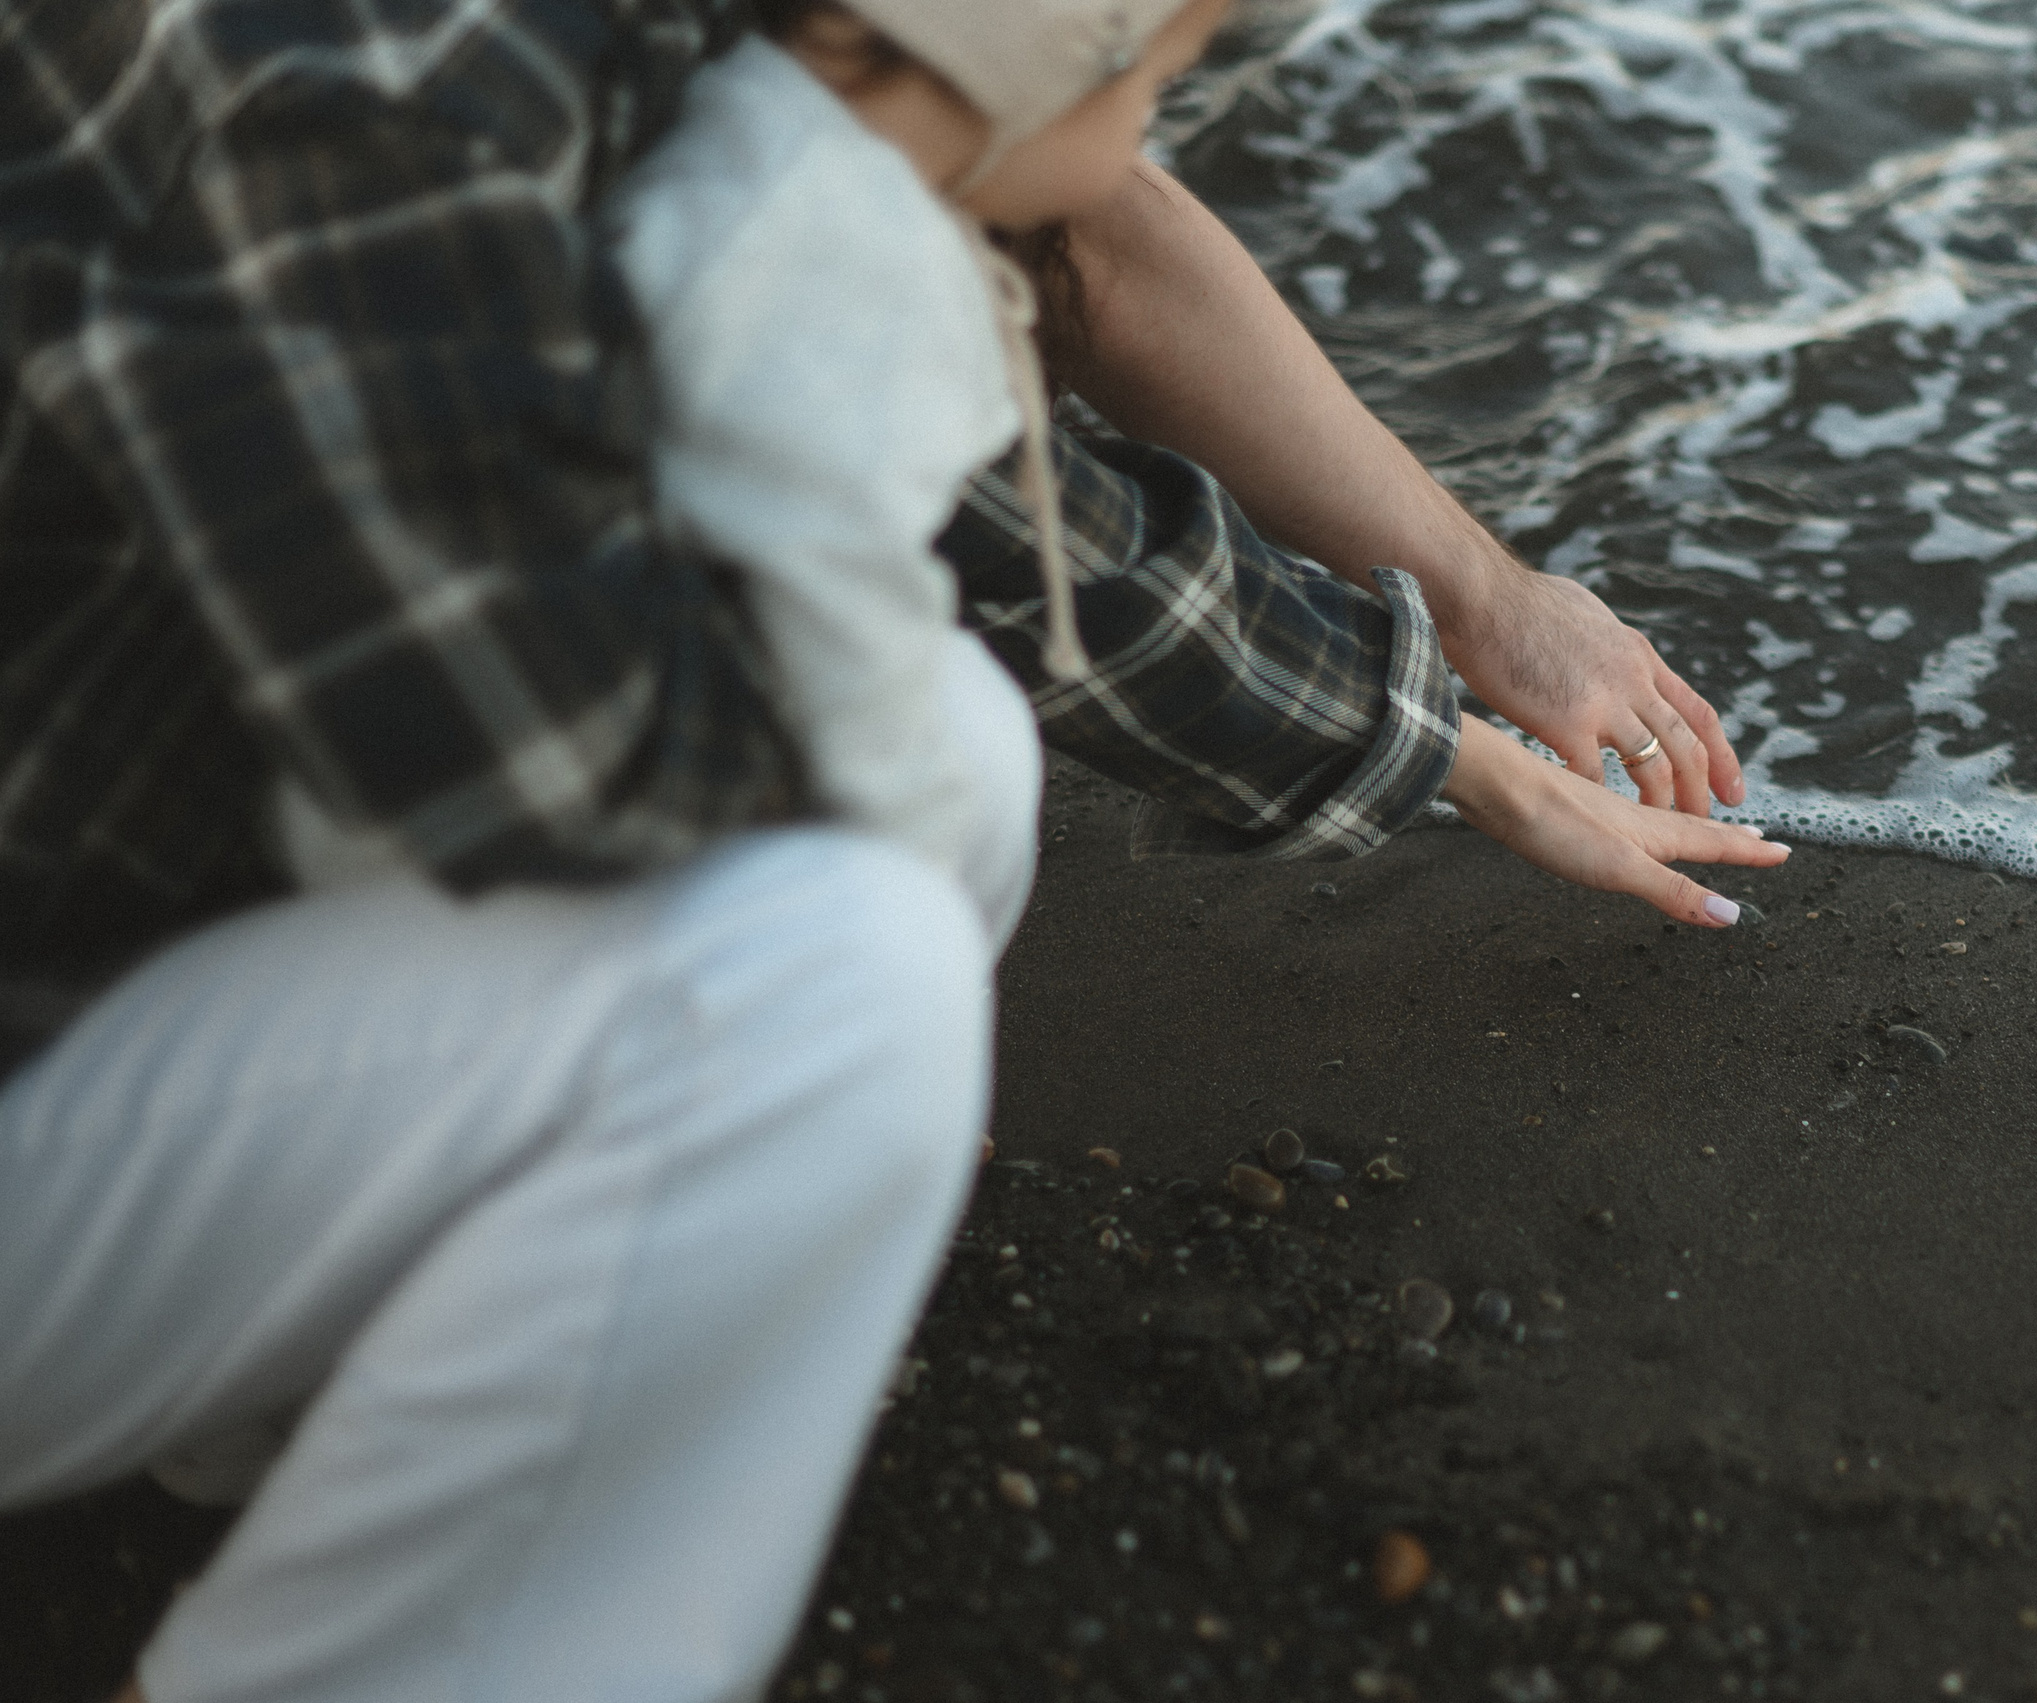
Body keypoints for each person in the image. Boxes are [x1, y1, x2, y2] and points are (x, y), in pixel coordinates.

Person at [0, 5, 1785, 1703]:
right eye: (1155, 73)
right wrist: (851, 1096)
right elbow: (562, 753)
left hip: (107, 954)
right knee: (832, 981)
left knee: (917, 778)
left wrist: (1468, 663)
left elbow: (1032, 362)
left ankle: (305, 1428)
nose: (1148, 140)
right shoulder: (359, 78)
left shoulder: (650, 68)